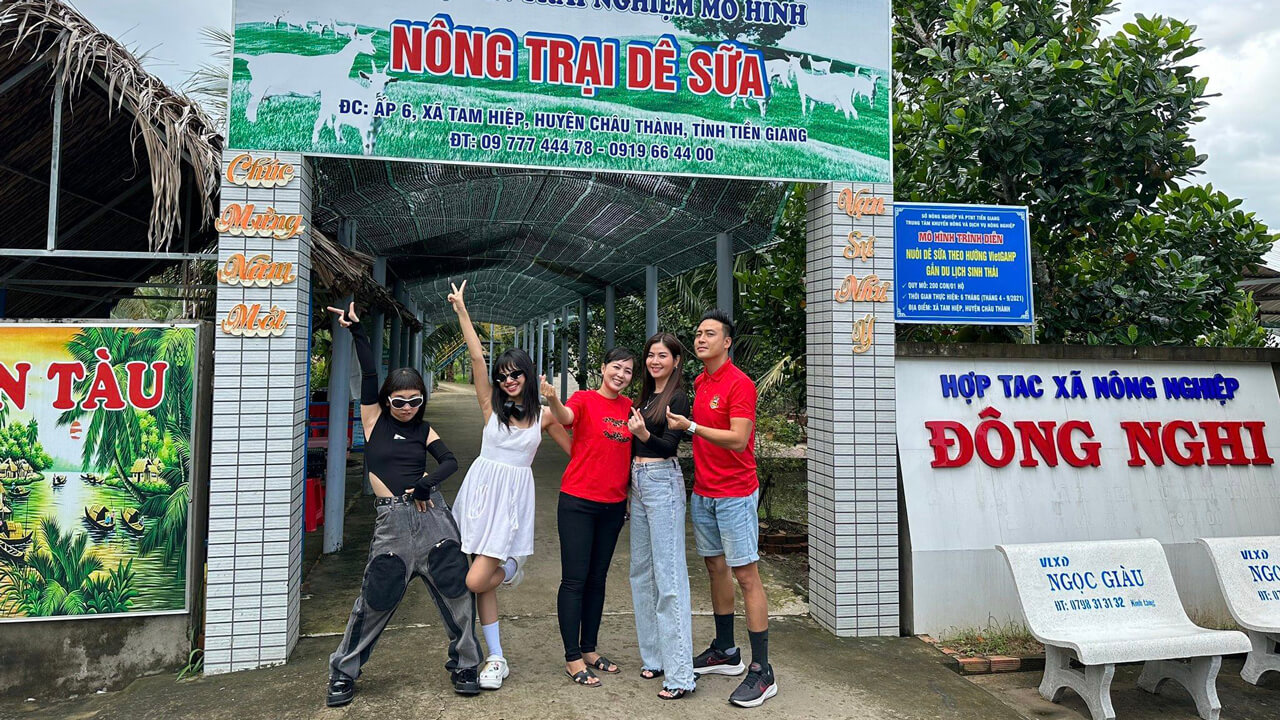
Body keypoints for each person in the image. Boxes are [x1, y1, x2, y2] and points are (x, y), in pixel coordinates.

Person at [324, 302, 482, 707]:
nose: (407, 407)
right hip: (391, 524)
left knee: (457, 591)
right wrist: (357, 332)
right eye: (399, 401)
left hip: (433, 520)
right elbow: (371, 373)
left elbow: (450, 461)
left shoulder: (425, 429)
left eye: (414, 400)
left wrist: (427, 484)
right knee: (375, 598)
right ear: (387, 401)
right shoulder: (375, 420)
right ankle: (343, 672)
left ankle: (465, 663)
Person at [446, 280, 567, 691]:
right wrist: (463, 310)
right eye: (503, 377)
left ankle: (512, 568)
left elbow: (572, 432)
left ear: (528, 376)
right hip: (479, 496)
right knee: (474, 578)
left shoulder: (543, 416)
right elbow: (477, 359)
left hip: (511, 504)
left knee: (476, 580)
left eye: (516, 375)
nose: (509, 381)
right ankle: (496, 656)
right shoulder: (491, 409)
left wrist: (556, 401)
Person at [665, 309, 777, 708]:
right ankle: (726, 650)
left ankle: (763, 670)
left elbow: (737, 438)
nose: (700, 339)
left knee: (746, 575)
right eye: (697, 333)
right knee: (715, 567)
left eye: (709, 334)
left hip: (735, 493)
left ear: (726, 342)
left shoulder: (740, 384)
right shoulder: (700, 380)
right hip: (705, 492)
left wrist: (690, 427)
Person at [541, 348, 636, 687]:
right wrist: (552, 399)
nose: (621, 374)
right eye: (615, 367)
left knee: (598, 579)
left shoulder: (629, 408)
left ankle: (590, 649)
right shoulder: (583, 399)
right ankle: (572, 657)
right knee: (575, 580)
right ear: (602, 369)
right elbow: (564, 418)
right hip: (578, 502)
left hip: (613, 506)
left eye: (627, 370)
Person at [626, 333, 696, 700]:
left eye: (662, 356)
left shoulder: (678, 397)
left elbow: (671, 446)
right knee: (641, 571)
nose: (655, 361)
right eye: (650, 355)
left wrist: (642, 434)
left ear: (676, 361)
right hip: (638, 483)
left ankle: (681, 673)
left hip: (662, 482)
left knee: (669, 576)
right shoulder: (646, 396)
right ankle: (654, 657)